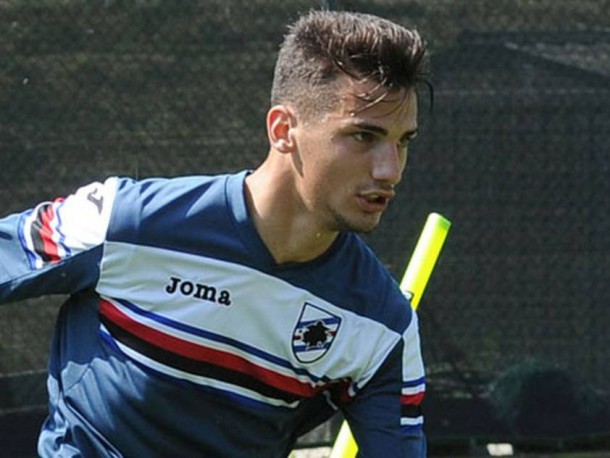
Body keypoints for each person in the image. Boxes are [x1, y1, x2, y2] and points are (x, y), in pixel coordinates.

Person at [0, 9, 430, 457]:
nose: (390, 170)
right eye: (363, 136)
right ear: (284, 130)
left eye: (403, 141)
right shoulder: (121, 223)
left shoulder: (383, 328)